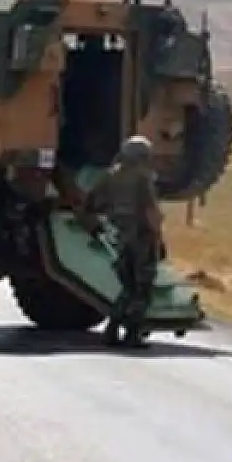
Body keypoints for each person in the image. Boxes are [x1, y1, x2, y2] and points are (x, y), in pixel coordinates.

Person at [78, 134, 164, 348]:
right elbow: (150, 211)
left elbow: (88, 206)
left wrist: (95, 228)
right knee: (142, 287)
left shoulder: (110, 176)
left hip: (118, 237)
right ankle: (132, 333)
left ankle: (112, 329)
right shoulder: (143, 178)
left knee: (127, 287)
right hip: (142, 237)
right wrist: (158, 238)